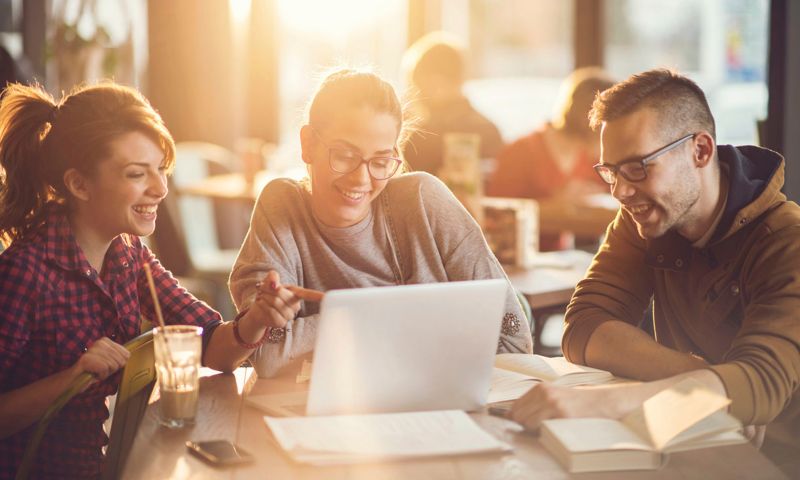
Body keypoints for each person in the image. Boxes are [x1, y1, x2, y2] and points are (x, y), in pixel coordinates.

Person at [508, 69, 800, 474]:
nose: (619, 192)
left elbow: (761, 384)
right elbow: (584, 324)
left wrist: (607, 402)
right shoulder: (646, 219)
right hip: (681, 440)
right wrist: (709, 379)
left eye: (637, 167)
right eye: (611, 171)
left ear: (700, 151)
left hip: (771, 462)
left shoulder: (786, 241)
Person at [0, 82, 285, 479]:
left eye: (161, 169)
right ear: (79, 184)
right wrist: (71, 379)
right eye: (137, 174)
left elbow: (211, 346)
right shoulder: (24, 272)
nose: (161, 189)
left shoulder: (128, 253)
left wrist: (258, 318)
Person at [229, 68, 532, 378]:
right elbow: (266, 350)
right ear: (308, 144)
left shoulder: (424, 200)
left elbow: (512, 333)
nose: (361, 179)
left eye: (380, 161)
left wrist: (337, 323)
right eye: (345, 155)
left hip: (443, 397)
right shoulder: (282, 205)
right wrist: (377, 316)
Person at [487, 67, 615, 251]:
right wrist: (556, 203)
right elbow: (496, 215)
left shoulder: (588, 156)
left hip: (561, 256)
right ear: (589, 118)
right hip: (521, 256)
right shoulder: (522, 151)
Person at [400, 32, 503, 175]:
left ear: (436, 82)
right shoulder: (489, 130)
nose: (415, 95)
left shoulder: (421, 138)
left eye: (418, 85)